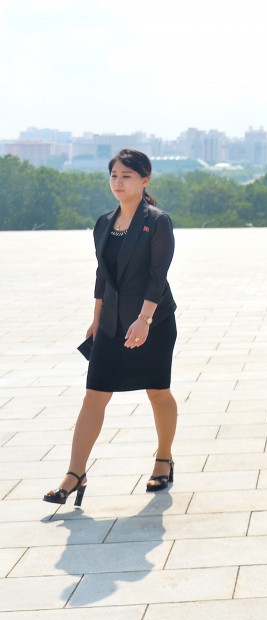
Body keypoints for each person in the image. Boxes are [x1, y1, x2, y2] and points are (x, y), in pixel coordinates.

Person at [43, 149, 178, 506]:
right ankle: (75, 473)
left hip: (153, 321)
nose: (118, 182)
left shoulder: (157, 221)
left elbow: (157, 277)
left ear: (144, 180)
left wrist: (144, 319)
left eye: (127, 176)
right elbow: (103, 275)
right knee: (94, 395)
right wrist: (97, 317)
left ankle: (163, 459)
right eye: (114, 175)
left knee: (157, 391)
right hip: (112, 323)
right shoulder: (104, 222)